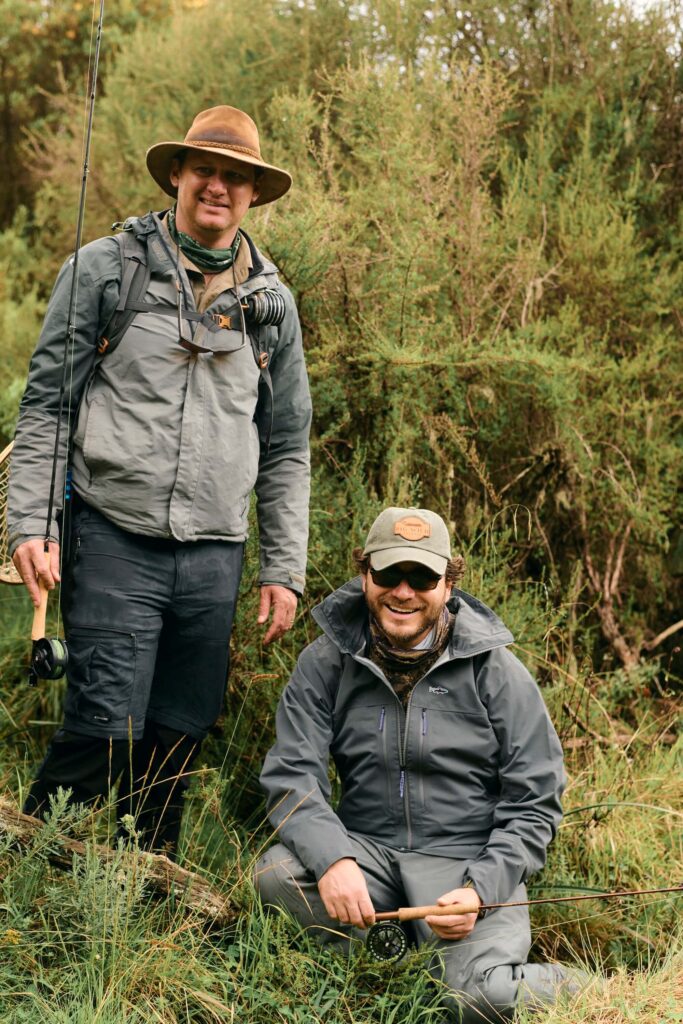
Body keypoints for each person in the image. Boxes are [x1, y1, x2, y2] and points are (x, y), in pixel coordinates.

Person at [8, 105, 311, 854]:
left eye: (235, 177)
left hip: (215, 553)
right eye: (204, 169)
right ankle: (31, 870)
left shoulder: (271, 306)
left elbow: (286, 446)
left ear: (252, 194)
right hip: (113, 535)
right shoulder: (106, 269)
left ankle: (148, 884)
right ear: (176, 173)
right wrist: (32, 525)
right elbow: (47, 405)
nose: (218, 186)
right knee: (106, 726)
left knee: (180, 732)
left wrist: (283, 568)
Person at [255, 507, 590, 1022]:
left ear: (448, 585)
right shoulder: (324, 663)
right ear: (365, 575)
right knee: (277, 872)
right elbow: (291, 776)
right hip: (366, 857)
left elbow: (536, 802)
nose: (403, 592)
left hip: (464, 867)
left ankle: (593, 989)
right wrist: (333, 859)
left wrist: (481, 890)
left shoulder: (498, 671)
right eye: (389, 574)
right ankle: (394, 973)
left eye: (422, 577)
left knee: (478, 1000)